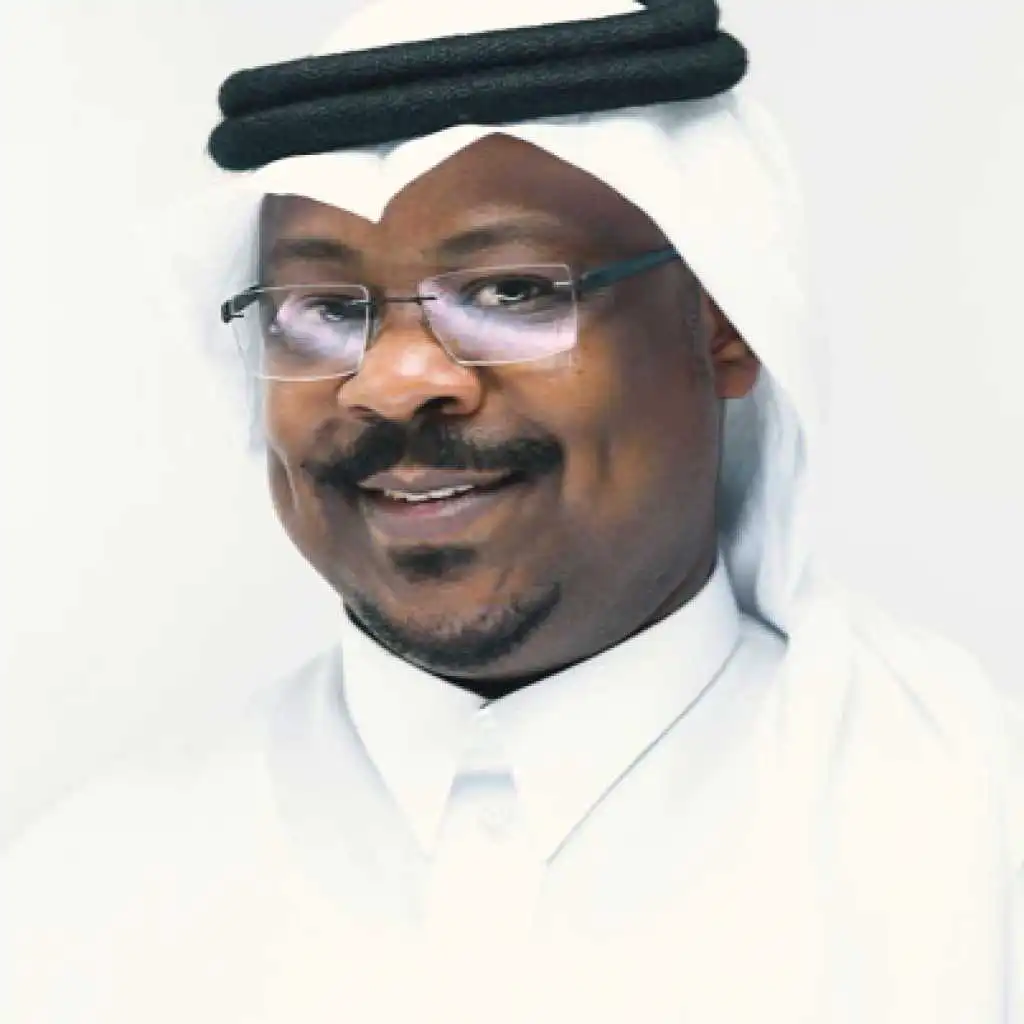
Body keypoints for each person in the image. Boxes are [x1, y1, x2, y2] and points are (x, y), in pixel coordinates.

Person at [5, 0, 1022, 1021]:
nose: (393, 383)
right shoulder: (76, 905)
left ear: (722, 324)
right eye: (324, 310)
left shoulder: (974, 855)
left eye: (509, 292)